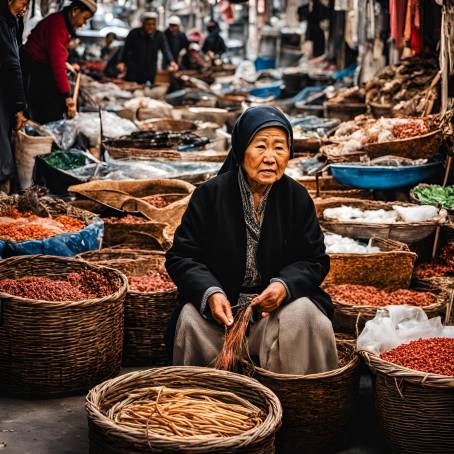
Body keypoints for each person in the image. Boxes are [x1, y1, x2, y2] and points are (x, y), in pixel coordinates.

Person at [166, 106, 338, 375]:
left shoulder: (297, 198)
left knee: (307, 315)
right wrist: (211, 293)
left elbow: (313, 259)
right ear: (241, 149)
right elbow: (182, 256)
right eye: (260, 147)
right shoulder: (209, 196)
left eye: (279, 148)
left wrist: (283, 287)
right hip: (221, 317)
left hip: (272, 314)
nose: (270, 158)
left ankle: (298, 402)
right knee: (189, 319)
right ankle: (206, 404)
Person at [22, 0, 97, 124]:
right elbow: (57, 64)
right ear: (75, 11)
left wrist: (67, 64)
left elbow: (57, 56)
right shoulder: (58, 25)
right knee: (49, 115)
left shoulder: (60, 21)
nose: (83, 23)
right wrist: (67, 97)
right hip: (34, 70)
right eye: (84, 18)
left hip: (39, 67)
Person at [0, 0, 29, 191]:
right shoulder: (2, 22)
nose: (25, 9)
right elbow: (12, 64)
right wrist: (20, 107)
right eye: (24, 3)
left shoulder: (12, 22)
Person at [117, 12, 178, 85]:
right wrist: (121, 62)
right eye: (148, 24)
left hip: (150, 70)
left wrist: (171, 62)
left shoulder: (159, 35)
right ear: (143, 24)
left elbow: (166, 50)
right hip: (134, 70)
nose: (151, 27)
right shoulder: (134, 33)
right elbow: (125, 49)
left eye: (153, 24)